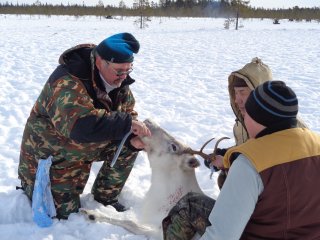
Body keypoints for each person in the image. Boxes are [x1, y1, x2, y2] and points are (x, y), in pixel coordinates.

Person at [163, 81, 320, 239]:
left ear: (258, 118)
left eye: (246, 114)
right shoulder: (316, 142)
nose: (244, 118)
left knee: (188, 205)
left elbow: (222, 235)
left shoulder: (250, 163)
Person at [18, 32, 151, 220]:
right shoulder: (67, 80)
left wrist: (131, 138)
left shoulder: (118, 82)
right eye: (119, 71)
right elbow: (80, 126)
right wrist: (127, 124)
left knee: (130, 143)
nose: (123, 77)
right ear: (99, 62)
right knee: (62, 215)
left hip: (81, 147)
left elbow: (126, 114)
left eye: (128, 70)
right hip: (50, 155)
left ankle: (105, 197)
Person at [206, 57, 307, 188]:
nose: (237, 100)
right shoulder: (243, 124)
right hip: (260, 185)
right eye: (235, 93)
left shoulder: (286, 125)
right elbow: (251, 146)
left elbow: (278, 162)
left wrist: (229, 161)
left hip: (285, 193)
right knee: (226, 179)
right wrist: (226, 153)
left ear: (259, 93)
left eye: (242, 92)